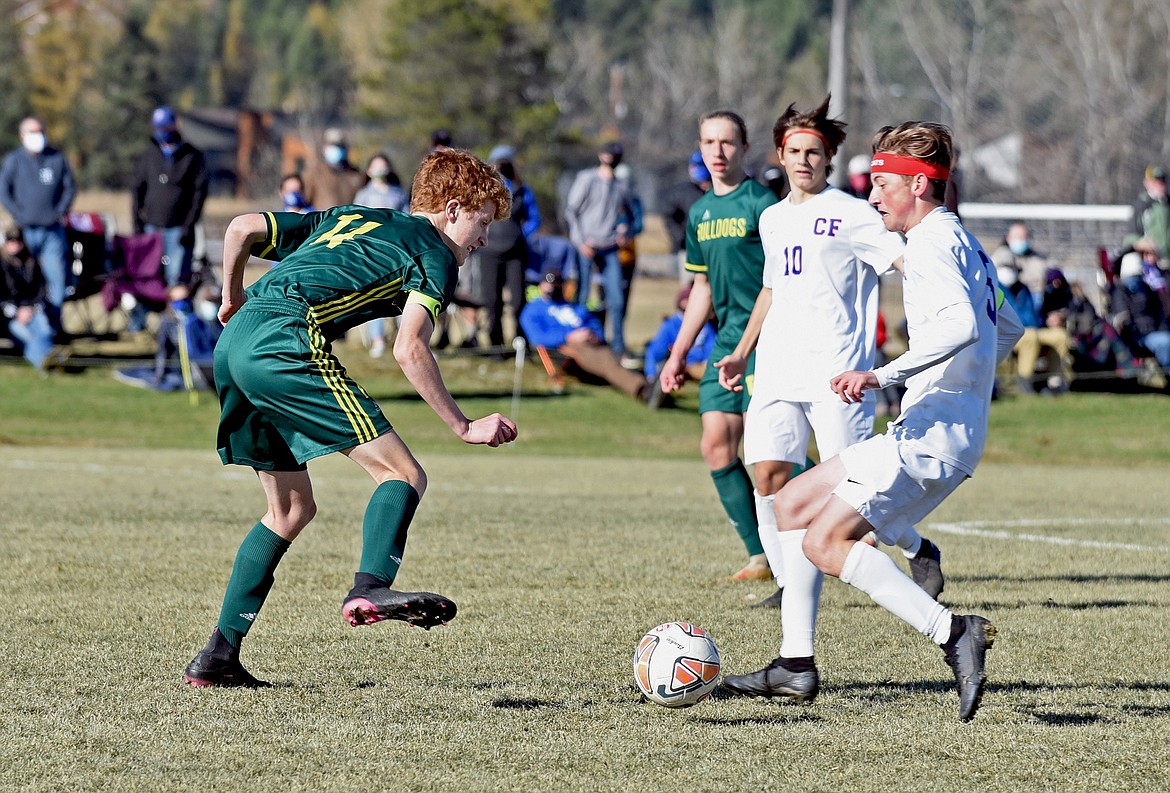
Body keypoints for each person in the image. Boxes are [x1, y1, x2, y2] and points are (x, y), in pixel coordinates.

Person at [720, 121, 1024, 722]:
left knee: (824, 540)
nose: (873, 196)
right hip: (932, 429)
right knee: (790, 503)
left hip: (930, 438)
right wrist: (964, 387)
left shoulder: (932, 242)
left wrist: (882, 376)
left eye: (882, 184)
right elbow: (1005, 328)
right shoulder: (961, 239)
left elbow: (962, 327)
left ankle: (951, 630)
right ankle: (795, 663)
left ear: (916, 185)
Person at [183, 148, 518, 688]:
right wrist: (463, 425)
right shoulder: (434, 254)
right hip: (285, 341)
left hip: (234, 344)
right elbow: (410, 349)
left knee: (289, 510)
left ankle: (217, 656)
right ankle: (370, 586)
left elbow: (242, 227)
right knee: (403, 474)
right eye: (481, 224)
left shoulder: (353, 215)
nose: (482, 240)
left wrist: (231, 296)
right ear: (452, 209)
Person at [714, 97, 943, 614]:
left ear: (828, 157)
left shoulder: (853, 214)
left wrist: (941, 308)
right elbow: (770, 290)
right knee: (768, 474)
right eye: (794, 150)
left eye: (813, 152)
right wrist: (739, 354)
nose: (803, 160)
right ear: (780, 153)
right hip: (775, 368)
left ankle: (916, 548)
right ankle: (787, 583)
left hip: (836, 372)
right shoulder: (771, 218)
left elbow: (904, 262)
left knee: (855, 487)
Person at [658, 110, 778, 581]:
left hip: (768, 338)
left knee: (771, 451)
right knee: (716, 446)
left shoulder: (761, 203)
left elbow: (782, 279)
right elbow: (703, 289)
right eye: (709, 142)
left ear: (743, 148)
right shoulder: (701, 212)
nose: (718, 152)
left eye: (727, 143)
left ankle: (839, 505)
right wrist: (677, 353)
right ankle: (760, 555)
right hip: (727, 340)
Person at [518, 269, 652, 402]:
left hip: (591, 342)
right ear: (541, 285)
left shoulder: (573, 306)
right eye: (548, 284)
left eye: (556, 284)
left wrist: (594, 335)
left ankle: (650, 382)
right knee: (606, 361)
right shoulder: (533, 309)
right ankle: (642, 389)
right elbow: (537, 338)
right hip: (565, 347)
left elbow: (594, 323)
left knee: (613, 357)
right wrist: (569, 336)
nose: (552, 288)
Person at [0, 116, 76, 338]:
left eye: (40, 131)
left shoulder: (56, 159)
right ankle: (23, 328)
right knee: (24, 280)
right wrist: (18, 214)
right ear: (22, 136)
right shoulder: (15, 160)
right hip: (24, 232)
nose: (38, 136)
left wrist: (59, 211)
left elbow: (69, 188)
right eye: (32, 132)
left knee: (56, 280)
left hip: (52, 231)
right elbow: (4, 190)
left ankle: (54, 326)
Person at [564, 140, 636, 357]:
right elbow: (571, 211)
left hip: (610, 246)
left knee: (616, 298)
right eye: (608, 154)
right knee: (583, 295)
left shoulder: (621, 186)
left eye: (615, 155)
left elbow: (632, 217)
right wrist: (581, 242)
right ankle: (580, 343)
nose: (611, 158)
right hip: (588, 246)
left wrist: (624, 231)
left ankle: (618, 346)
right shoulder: (587, 179)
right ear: (600, 155)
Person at [132, 106, 209, 288]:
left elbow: (199, 193)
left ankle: (174, 315)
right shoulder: (148, 154)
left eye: (165, 127)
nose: (162, 132)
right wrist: (137, 223)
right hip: (152, 228)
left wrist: (189, 225)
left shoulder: (192, 156)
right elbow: (137, 190)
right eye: (158, 127)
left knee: (177, 281)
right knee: (150, 280)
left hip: (179, 230)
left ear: (175, 125)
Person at [477, 145, 537, 351]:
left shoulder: (522, 189)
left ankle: (521, 343)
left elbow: (533, 219)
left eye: (505, 162)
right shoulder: (483, 189)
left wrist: (520, 234)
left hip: (516, 253)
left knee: (519, 300)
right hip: (489, 252)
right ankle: (496, 345)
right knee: (492, 301)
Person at [113, 280, 223, 391]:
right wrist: (159, 375)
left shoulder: (197, 320)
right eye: (178, 300)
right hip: (178, 368)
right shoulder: (166, 323)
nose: (183, 303)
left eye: (185, 299)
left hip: (202, 366)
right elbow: (163, 351)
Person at [353, 153, 410, 359]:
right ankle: (377, 339)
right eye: (375, 165)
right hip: (371, 253)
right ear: (369, 171)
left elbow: (407, 219)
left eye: (383, 165)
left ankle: (404, 338)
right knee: (374, 296)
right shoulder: (363, 195)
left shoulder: (399, 193)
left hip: (396, 252)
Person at [997, 261, 1073, 393]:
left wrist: (1049, 319)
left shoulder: (1023, 289)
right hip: (1008, 333)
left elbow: (1034, 314)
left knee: (1059, 335)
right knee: (1030, 337)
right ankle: (1025, 381)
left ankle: (1054, 382)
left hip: (1034, 328)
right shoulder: (993, 288)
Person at [0, 225, 55, 369]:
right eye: (11, 240)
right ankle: (46, 363)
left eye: (18, 240)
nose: (14, 244)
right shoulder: (2, 264)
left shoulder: (32, 262)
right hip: (10, 317)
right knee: (27, 337)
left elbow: (41, 290)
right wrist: (16, 311)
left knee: (44, 330)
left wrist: (31, 308)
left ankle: (51, 360)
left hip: (32, 310)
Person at [642, 283, 715, 390]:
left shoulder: (706, 327)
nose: (686, 303)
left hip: (699, 365)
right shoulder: (670, 324)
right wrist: (651, 376)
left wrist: (706, 361)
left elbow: (711, 346)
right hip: (674, 363)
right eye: (685, 300)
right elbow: (655, 351)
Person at [1110, 250, 1170, 371]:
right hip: (1138, 336)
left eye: (1138, 275)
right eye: (1133, 276)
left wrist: (1162, 330)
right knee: (1165, 343)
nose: (1135, 279)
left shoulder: (1148, 290)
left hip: (1156, 332)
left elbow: (1160, 313)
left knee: (1165, 339)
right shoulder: (1119, 292)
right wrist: (1137, 332)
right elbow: (1123, 318)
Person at [663, 151, 711, 284]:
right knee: (689, 289)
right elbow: (670, 218)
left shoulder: (718, 191)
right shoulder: (683, 192)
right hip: (689, 250)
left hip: (713, 249)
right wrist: (681, 238)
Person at [301, 127, 364, 211]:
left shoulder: (355, 174)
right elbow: (304, 201)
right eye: (332, 145)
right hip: (324, 222)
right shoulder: (314, 173)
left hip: (350, 222)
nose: (336, 149)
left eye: (339, 145)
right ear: (324, 148)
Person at [991, 221, 1048, 312]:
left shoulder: (1038, 261)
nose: (1019, 240)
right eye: (1016, 237)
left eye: (1022, 237)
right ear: (1008, 238)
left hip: (1031, 300)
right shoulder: (1001, 255)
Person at [1123, 165, 1170, 268]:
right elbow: (1131, 238)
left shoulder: (1167, 204)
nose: (1159, 185)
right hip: (1150, 263)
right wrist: (1145, 247)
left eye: (1162, 181)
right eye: (1155, 181)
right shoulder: (1142, 205)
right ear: (1147, 183)